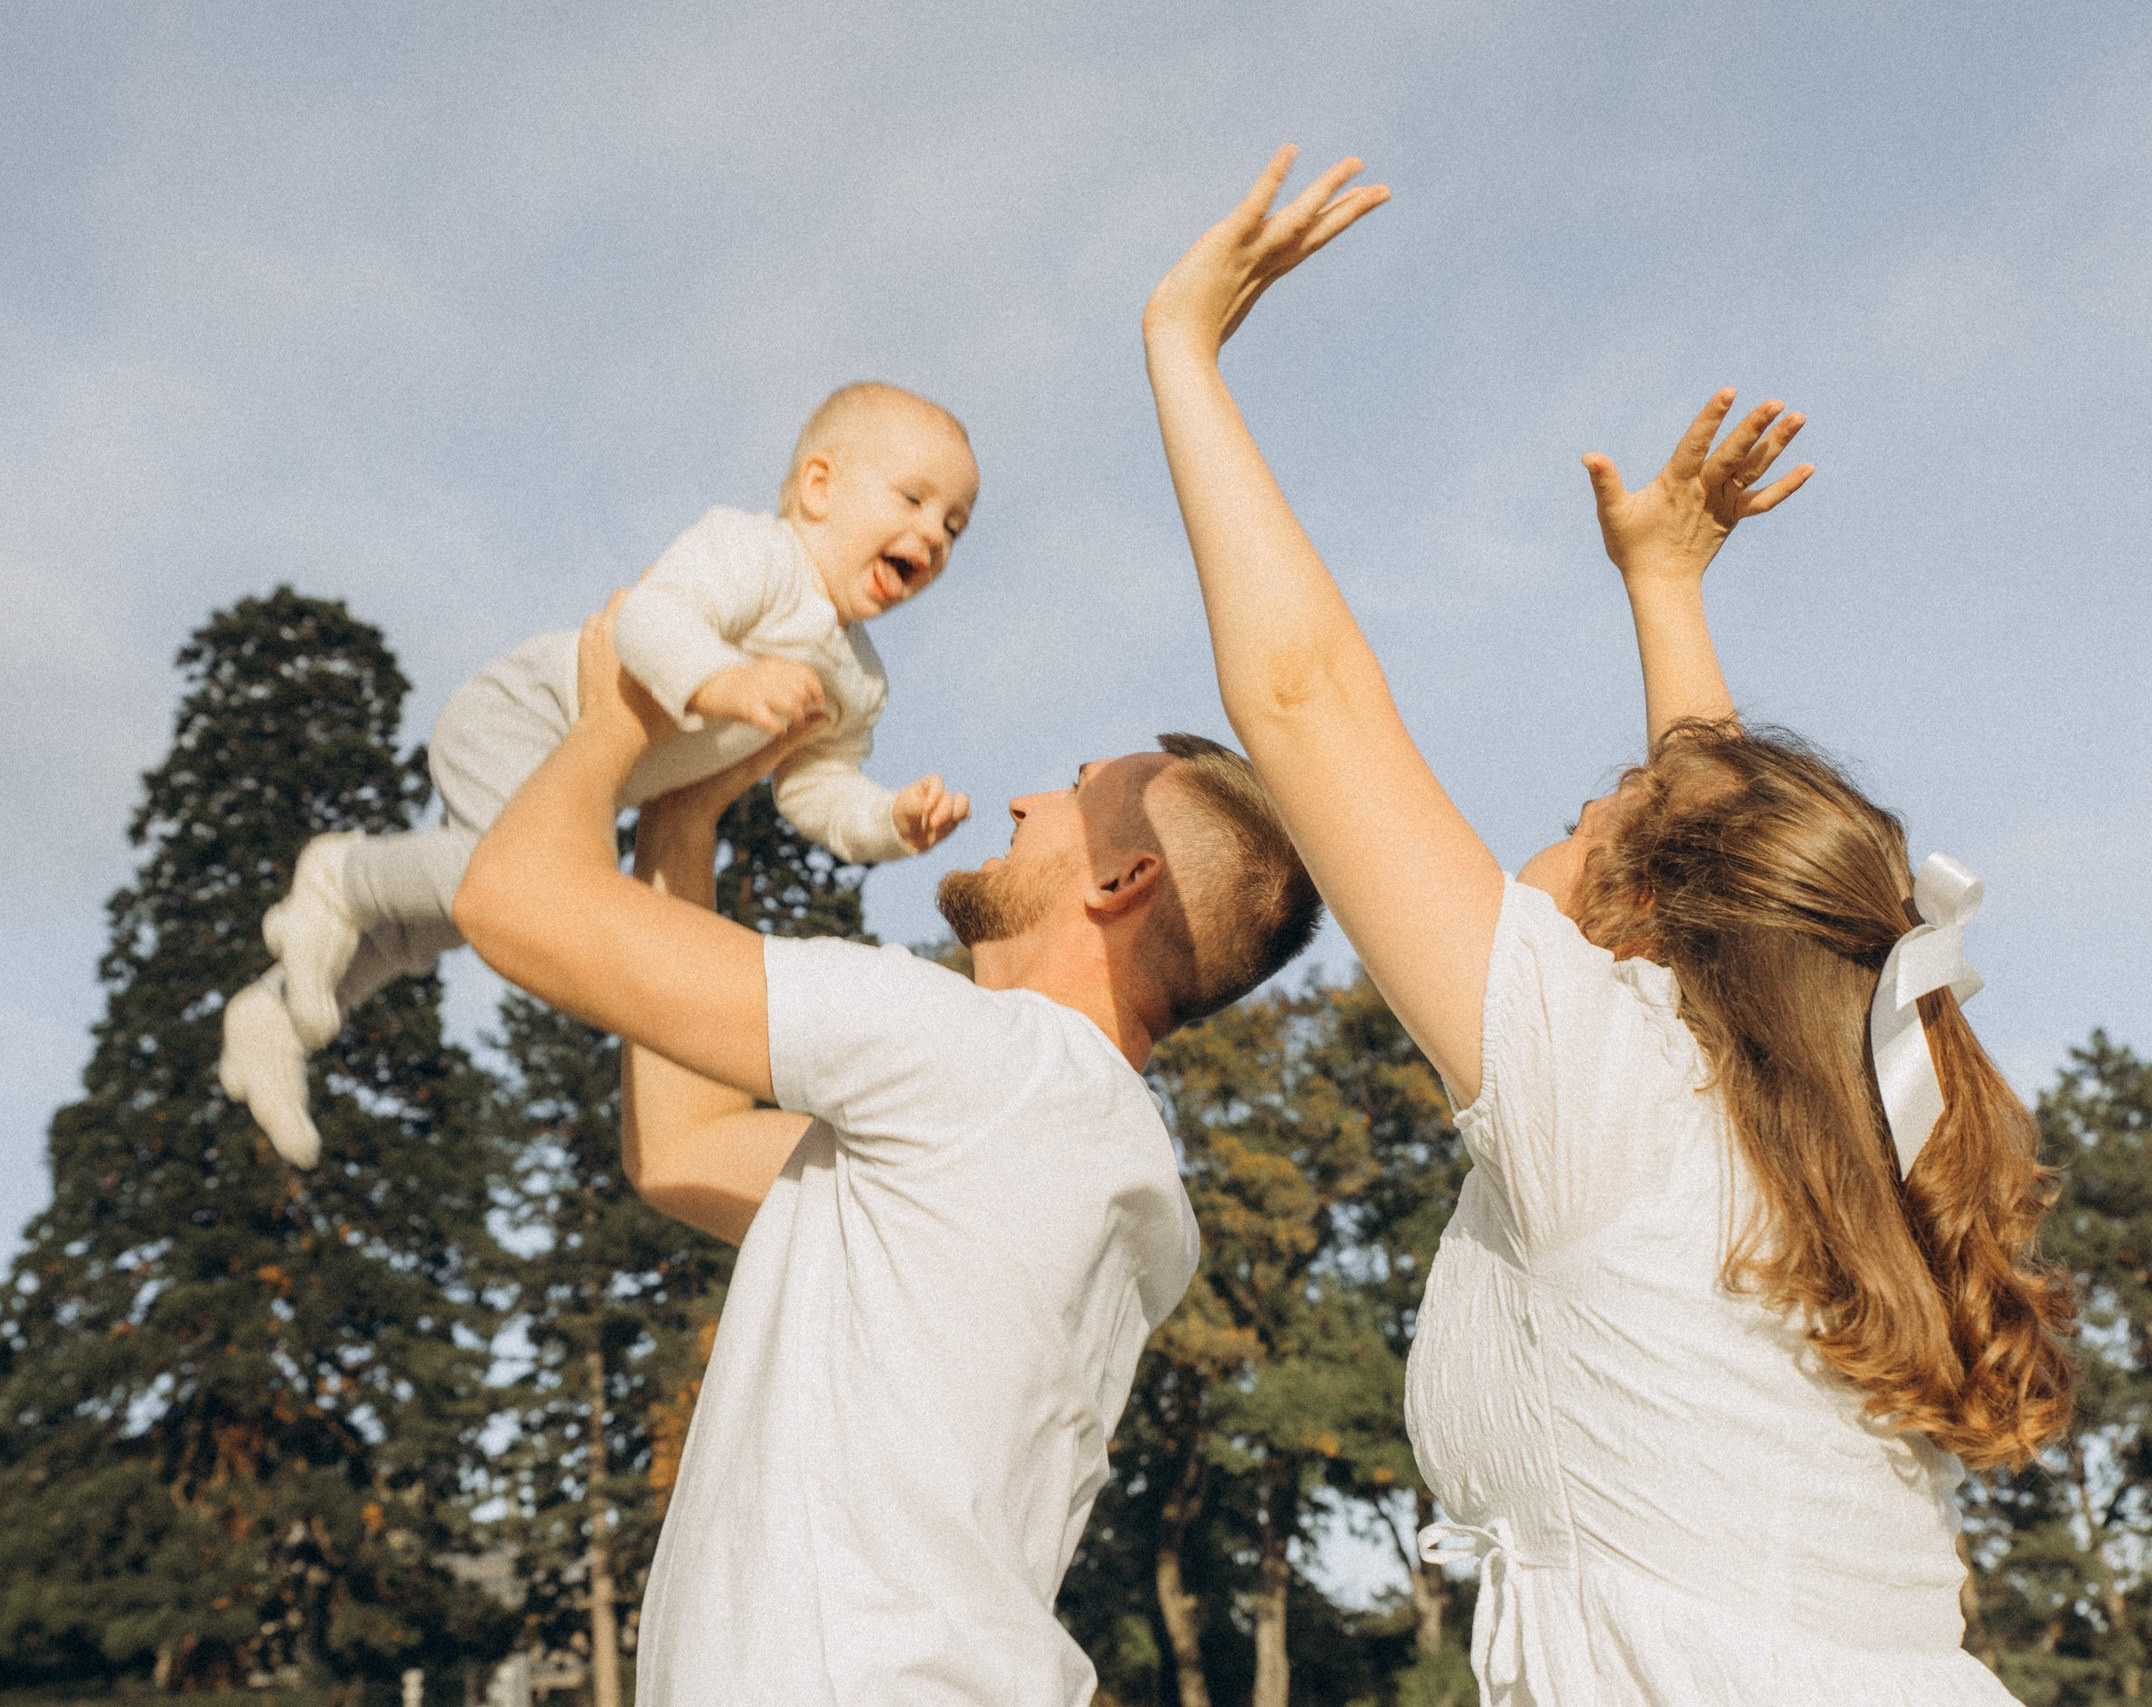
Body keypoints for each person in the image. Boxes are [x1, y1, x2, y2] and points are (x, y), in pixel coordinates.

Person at [1143, 147, 2071, 1703]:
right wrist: (1666, 590)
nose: (1543, 847)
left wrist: (1181, 346)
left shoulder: (1617, 1097)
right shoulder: (1831, 1142)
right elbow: (1725, 872)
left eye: (1578, 834)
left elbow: (1308, 702)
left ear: (1641, 925)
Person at [450, 603, 1320, 1705]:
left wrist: (617, 710)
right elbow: (686, 1146)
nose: (1021, 801)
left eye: (1072, 789)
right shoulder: (1089, 1163)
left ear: (1117, 882)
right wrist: (684, 813)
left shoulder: (977, 1060)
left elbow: (508, 901)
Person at [220, 381, 981, 1165]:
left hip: (585, 773)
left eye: (954, 524)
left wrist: (889, 821)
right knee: (507, 888)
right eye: (914, 499)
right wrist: (724, 681)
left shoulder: (859, 681)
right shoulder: (755, 553)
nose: (933, 533)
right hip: (526, 717)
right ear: (819, 488)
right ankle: (342, 874)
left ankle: (280, 1016)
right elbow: (651, 617)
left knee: (454, 913)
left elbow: (815, 787)